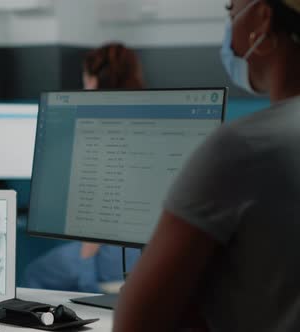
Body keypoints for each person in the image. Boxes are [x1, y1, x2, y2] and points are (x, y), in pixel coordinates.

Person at [114, 0, 300, 331]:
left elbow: (135, 323)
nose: (229, 27)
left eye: (231, 12)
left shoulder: (246, 148)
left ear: (263, 17)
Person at [23, 43, 144, 293]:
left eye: (85, 80)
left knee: (34, 273)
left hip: (107, 259)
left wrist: (86, 271)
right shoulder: (147, 122)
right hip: (144, 257)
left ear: (93, 81)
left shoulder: (95, 132)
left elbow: (96, 224)